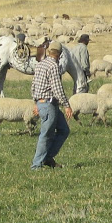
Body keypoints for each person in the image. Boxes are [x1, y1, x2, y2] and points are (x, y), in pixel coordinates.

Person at [30, 40, 73, 170]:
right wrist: (66, 105)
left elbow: (33, 86)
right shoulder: (53, 66)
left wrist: (36, 102)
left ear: (49, 52)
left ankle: (47, 157)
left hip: (43, 103)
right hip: (49, 104)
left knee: (64, 129)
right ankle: (36, 165)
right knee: (46, 135)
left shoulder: (40, 65)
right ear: (60, 54)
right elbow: (57, 88)